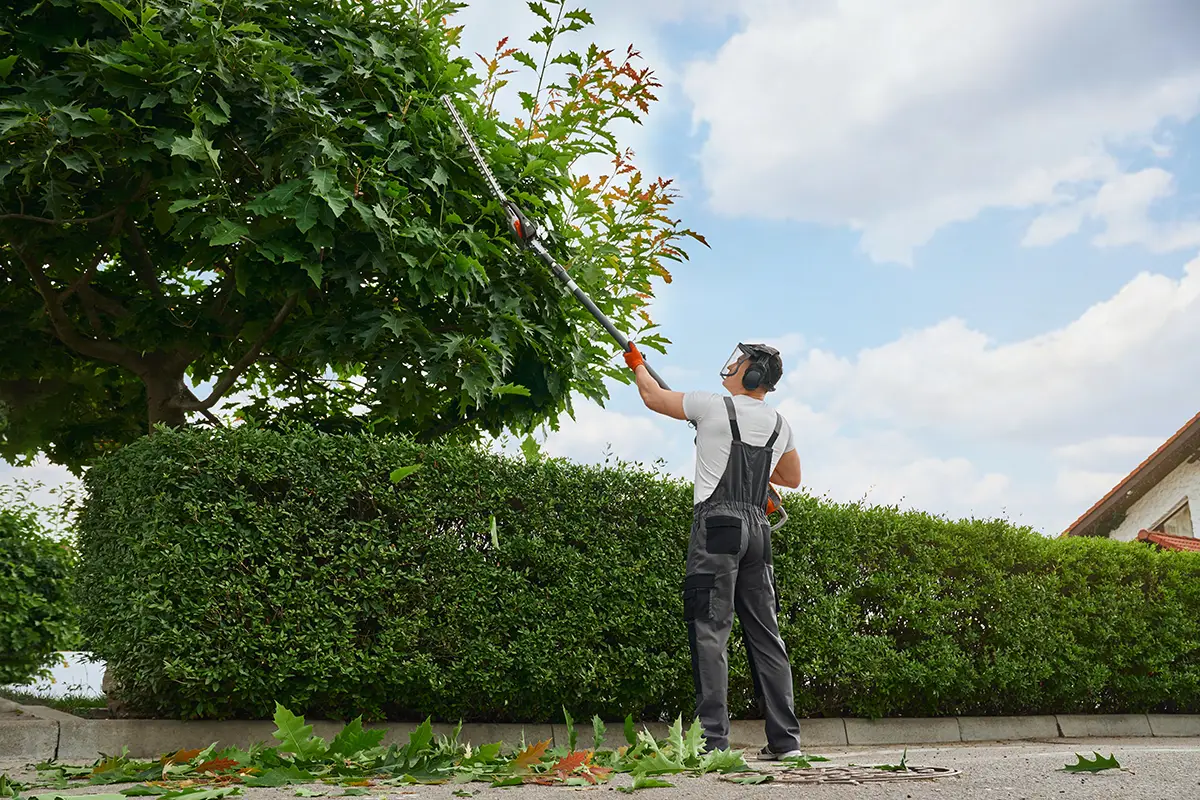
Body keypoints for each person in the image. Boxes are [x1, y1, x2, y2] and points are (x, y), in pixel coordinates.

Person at [622, 341, 805, 759]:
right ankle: (785, 743)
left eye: (739, 362)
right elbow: (792, 477)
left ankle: (712, 742)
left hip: (718, 527)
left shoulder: (711, 406)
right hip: (759, 531)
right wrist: (760, 465)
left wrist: (637, 362)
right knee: (766, 635)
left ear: (753, 374)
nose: (732, 365)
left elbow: (653, 397)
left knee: (709, 629)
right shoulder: (780, 424)